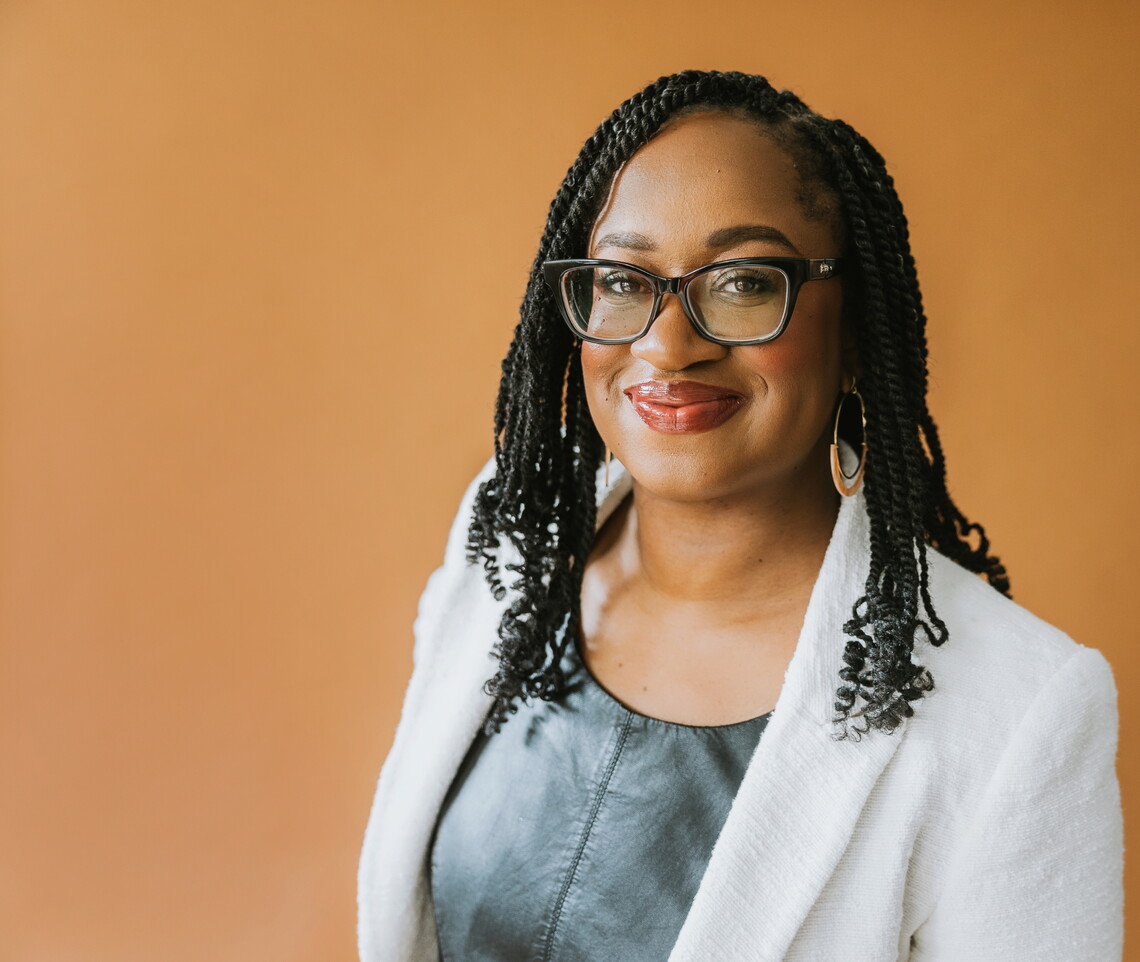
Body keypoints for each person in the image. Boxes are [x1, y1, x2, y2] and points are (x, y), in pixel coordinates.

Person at [357, 70, 1123, 962]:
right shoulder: (512, 539)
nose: (667, 345)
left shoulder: (1021, 711)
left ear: (853, 337)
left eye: (745, 282)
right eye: (622, 279)